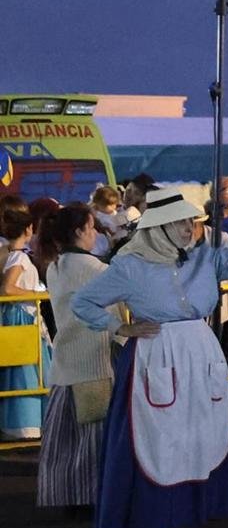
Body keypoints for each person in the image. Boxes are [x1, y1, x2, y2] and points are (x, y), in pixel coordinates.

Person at [72, 182, 228, 528]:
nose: (188, 229)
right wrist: (120, 327)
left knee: (189, 441)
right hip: (155, 354)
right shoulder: (130, 266)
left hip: (198, 354)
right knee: (153, 441)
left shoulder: (204, 259)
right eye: (180, 223)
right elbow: (83, 302)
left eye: (191, 222)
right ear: (159, 227)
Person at [34, 204, 109, 510]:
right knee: (94, 439)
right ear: (79, 231)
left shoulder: (55, 266)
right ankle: (92, 498)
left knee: (65, 443)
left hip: (65, 362)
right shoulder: (97, 270)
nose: (95, 234)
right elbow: (115, 314)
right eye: (92, 228)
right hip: (95, 362)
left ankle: (67, 497)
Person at [1, 200, 47, 441]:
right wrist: (35, 294)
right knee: (26, 371)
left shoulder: (13, 255)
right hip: (23, 317)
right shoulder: (18, 258)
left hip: (22, 315)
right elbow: (8, 288)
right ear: (28, 229)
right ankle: (25, 424)